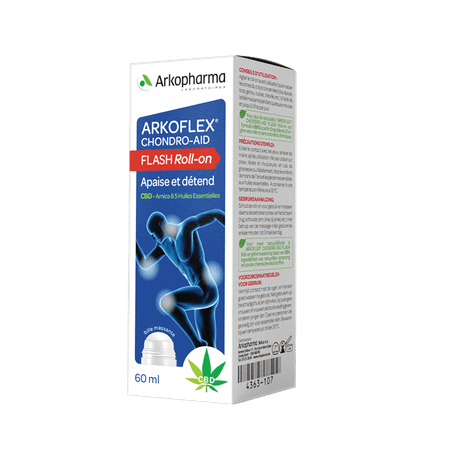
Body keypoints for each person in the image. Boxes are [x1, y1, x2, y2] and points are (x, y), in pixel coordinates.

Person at [136, 209, 225, 348]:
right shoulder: (163, 245)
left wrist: (238, 232)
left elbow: (215, 214)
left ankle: (196, 342)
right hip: (198, 293)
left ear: (161, 225)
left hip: (206, 290)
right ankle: (201, 346)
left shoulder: (186, 227)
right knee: (210, 348)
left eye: (153, 234)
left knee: (167, 302)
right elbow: (144, 264)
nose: (153, 238)